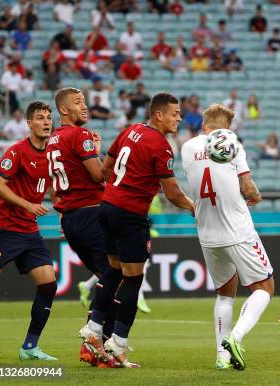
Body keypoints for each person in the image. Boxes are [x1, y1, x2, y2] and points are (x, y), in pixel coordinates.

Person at [80, 93, 195, 368]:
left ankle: (94, 328)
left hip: (107, 207)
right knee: (133, 278)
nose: (179, 118)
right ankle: (118, 343)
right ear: (159, 115)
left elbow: (106, 168)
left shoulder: (129, 131)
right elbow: (173, 192)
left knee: (114, 269)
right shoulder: (161, 146)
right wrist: (195, 207)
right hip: (130, 214)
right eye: (175, 113)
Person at [181, 104, 273, 370]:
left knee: (224, 294)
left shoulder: (187, 148)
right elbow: (247, 186)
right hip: (237, 230)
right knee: (264, 288)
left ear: (203, 125)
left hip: (207, 233)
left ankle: (221, 358)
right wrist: (255, 196)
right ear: (227, 129)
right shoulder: (232, 143)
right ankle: (236, 338)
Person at [46, 88, 114, 366]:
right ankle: (96, 340)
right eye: (77, 103)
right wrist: (111, 155)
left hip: (72, 218)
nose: (84, 107)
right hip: (91, 213)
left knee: (108, 277)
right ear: (63, 110)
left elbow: (54, 188)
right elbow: (99, 174)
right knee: (117, 275)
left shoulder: (52, 140)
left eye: (85, 101)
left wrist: (65, 214)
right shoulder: (81, 135)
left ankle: (98, 343)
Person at [0, 101, 58, 361]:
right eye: (40, 118)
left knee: (48, 285)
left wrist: (65, 215)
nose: (46, 122)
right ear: (29, 123)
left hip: (29, 233)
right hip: (4, 230)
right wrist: (28, 204)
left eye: (48, 118)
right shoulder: (17, 151)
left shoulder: (52, 154)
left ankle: (29, 347)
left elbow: (53, 188)